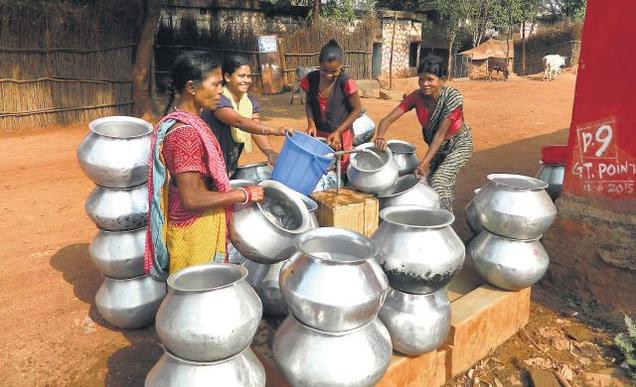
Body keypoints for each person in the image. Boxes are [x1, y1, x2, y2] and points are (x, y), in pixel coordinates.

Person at [144, 51, 264, 280]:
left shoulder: (190, 121)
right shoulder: (184, 134)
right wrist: (243, 194)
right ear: (191, 87)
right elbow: (193, 199)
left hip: (196, 225)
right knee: (196, 298)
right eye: (215, 84)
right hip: (193, 232)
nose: (220, 91)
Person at [374, 62, 473, 212]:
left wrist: (424, 163)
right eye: (421, 79)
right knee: (432, 183)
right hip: (436, 149)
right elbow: (386, 120)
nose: (425, 84)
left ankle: (446, 224)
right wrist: (380, 137)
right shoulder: (416, 97)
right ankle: (443, 211)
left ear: (443, 80)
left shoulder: (453, 98)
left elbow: (440, 135)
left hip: (458, 145)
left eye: (430, 79)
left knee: (439, 182)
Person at [201, 55, 293, 176]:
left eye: (249, 76)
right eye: (241, 76)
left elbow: (255, 128)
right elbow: (239, 122)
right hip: (206, 166)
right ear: (227, 77)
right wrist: (275, 130)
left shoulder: (249, 101)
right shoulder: (218, 100)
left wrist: (270, 153)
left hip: (227, 167)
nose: (247, 80)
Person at [300, 39, 362, 169]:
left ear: (341, 66)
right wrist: (311, 123)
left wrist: (339, 132)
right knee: (320, 165)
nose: (328, 75)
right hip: (319, 133)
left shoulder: (346, 82)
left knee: (341, 166)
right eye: (324, 70)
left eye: (334, 72)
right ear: (319, 64)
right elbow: (309, 103)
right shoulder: (311, 80)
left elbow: (356, 109)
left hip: (341, 134)